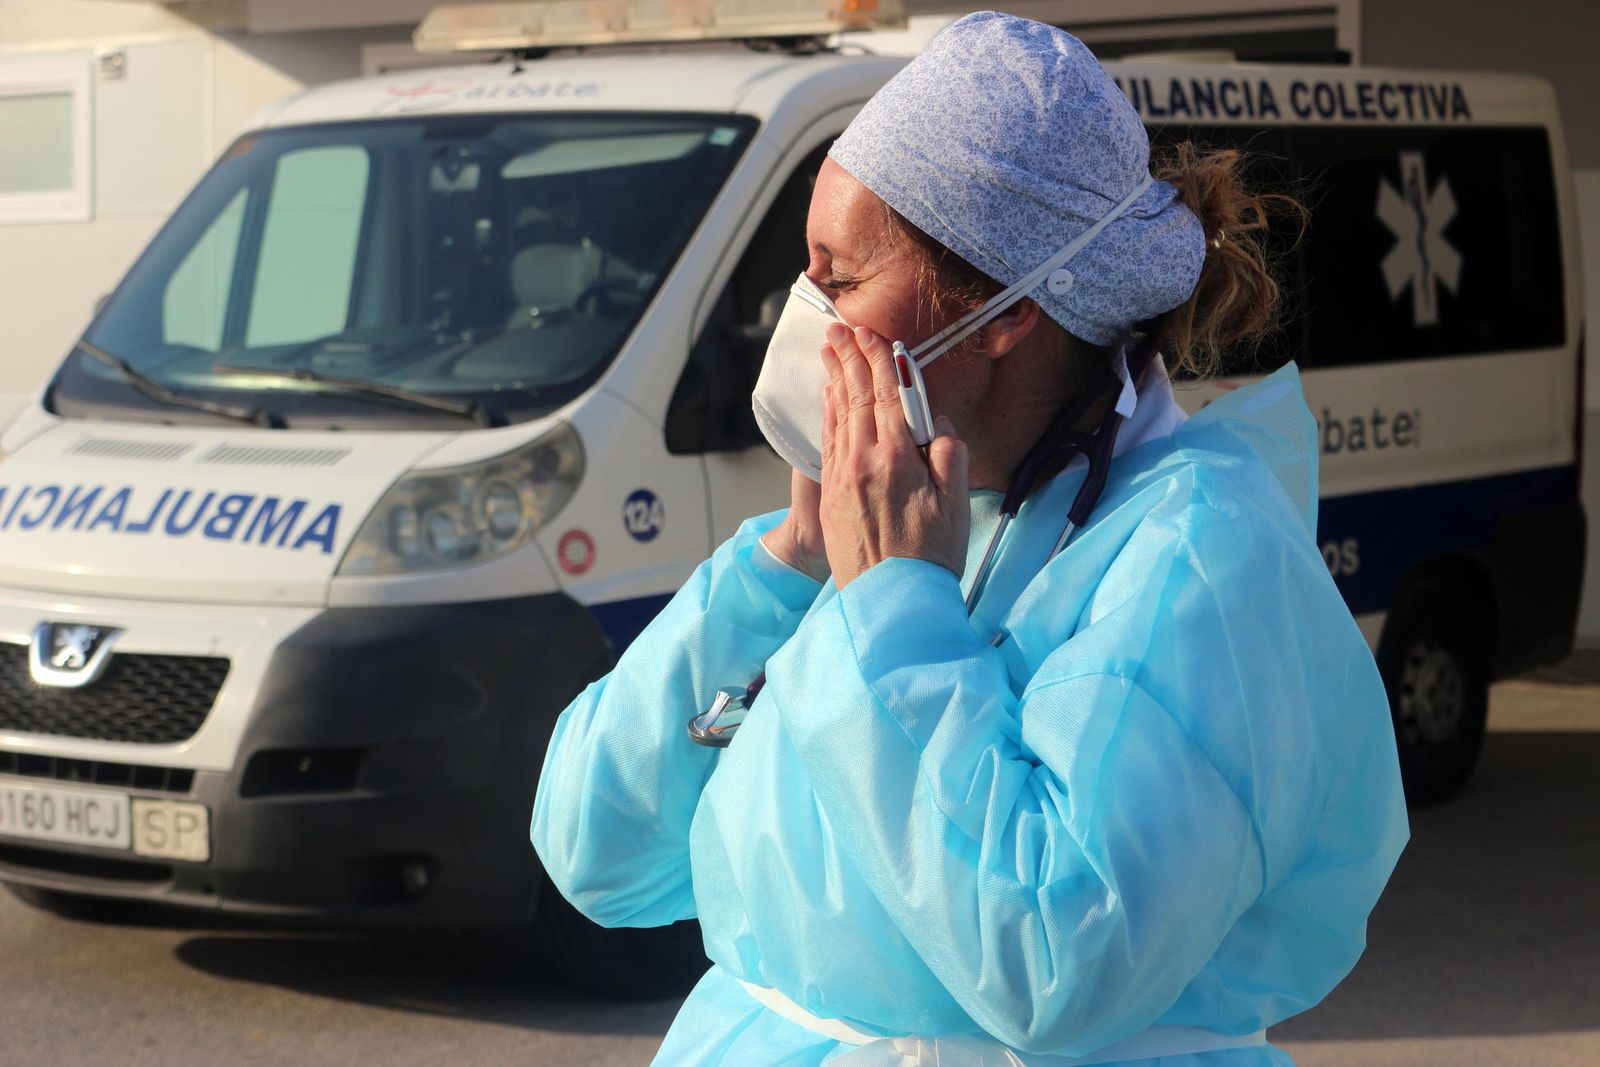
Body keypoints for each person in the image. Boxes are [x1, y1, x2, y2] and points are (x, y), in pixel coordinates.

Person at [532, 13, 1408, 1066]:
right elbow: (598, 855)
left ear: (1001, 311)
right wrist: (789, 567)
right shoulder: (876, 537)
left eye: (840, 279)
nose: (803, 314)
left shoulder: (1202, 558)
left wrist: (896, 611)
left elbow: (1055, 960)